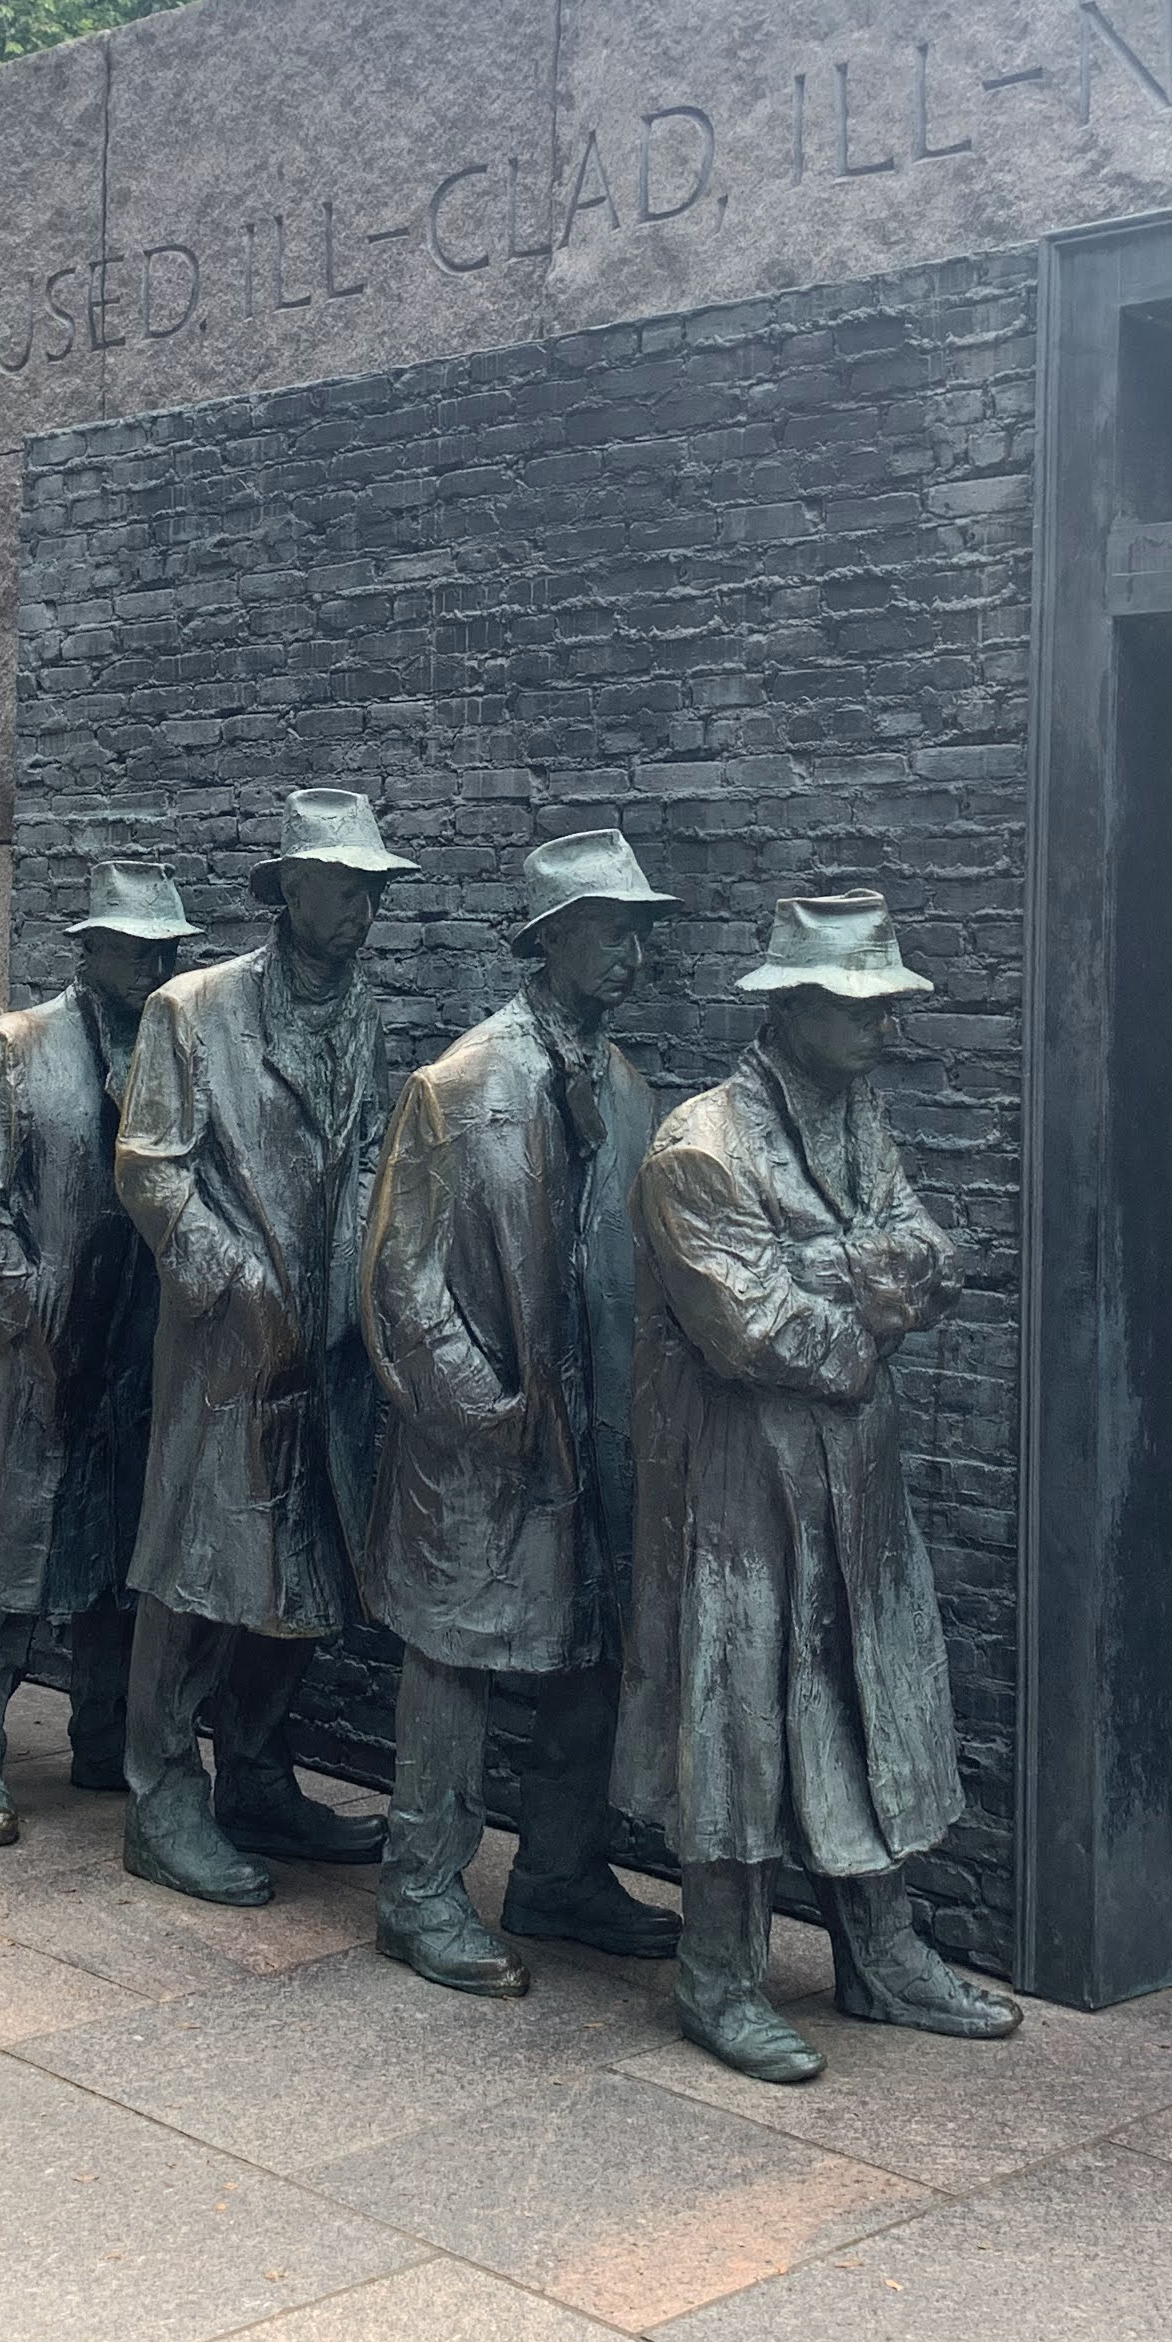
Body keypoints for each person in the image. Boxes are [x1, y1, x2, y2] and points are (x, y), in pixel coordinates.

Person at [616, 891, 1022, 2081]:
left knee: (865, 1697)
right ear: (794, 1006)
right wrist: (865, 1298)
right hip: (740, 1486)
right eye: (859, 1006)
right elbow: (754, 1329)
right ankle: (718, 1975)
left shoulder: (861, 1118)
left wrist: (829, 1267)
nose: (881, 1028)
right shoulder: (700, 1148)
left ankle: (881, 1955)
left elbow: (935, 1257)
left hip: (857, 1476)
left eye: (886, 1006)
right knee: (737, 1716)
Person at [360, 830, 691, 1993]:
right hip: (481, 1440)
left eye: (640, 933)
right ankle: (419, 1889)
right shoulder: (458, 1087)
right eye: (611, 931)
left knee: (591, 1656)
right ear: (551, 942)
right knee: (454, 1659)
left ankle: (559, 1871)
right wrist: (481, 1408)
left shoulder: (631, 1093)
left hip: (599, 1435)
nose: (632, 955)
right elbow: (399, 1280)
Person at [111, 788, 413, 1906]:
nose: (363, 911)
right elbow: (150, 1168)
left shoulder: (362, 1012)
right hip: (226, 1350)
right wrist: (237, 1285)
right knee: (195, 1571)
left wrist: (359, 1286)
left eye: (373, 891)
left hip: (329, 1345)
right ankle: (159, 1800)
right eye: (344, 888)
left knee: (306, 1574)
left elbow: (372, 1147)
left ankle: (256, 1774)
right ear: (288, 890)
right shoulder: (192, 1010)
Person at [0, 861, 197, 1846]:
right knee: (8, 1549)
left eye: (164, 953)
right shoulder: (15, 1045)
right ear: (91, 951)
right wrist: (18, 1307)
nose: (152, 969)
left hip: (143, 1338)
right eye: (134, 951)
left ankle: (103, 1731)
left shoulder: (178, 1052)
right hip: (36, 1341)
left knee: (121, 1546)